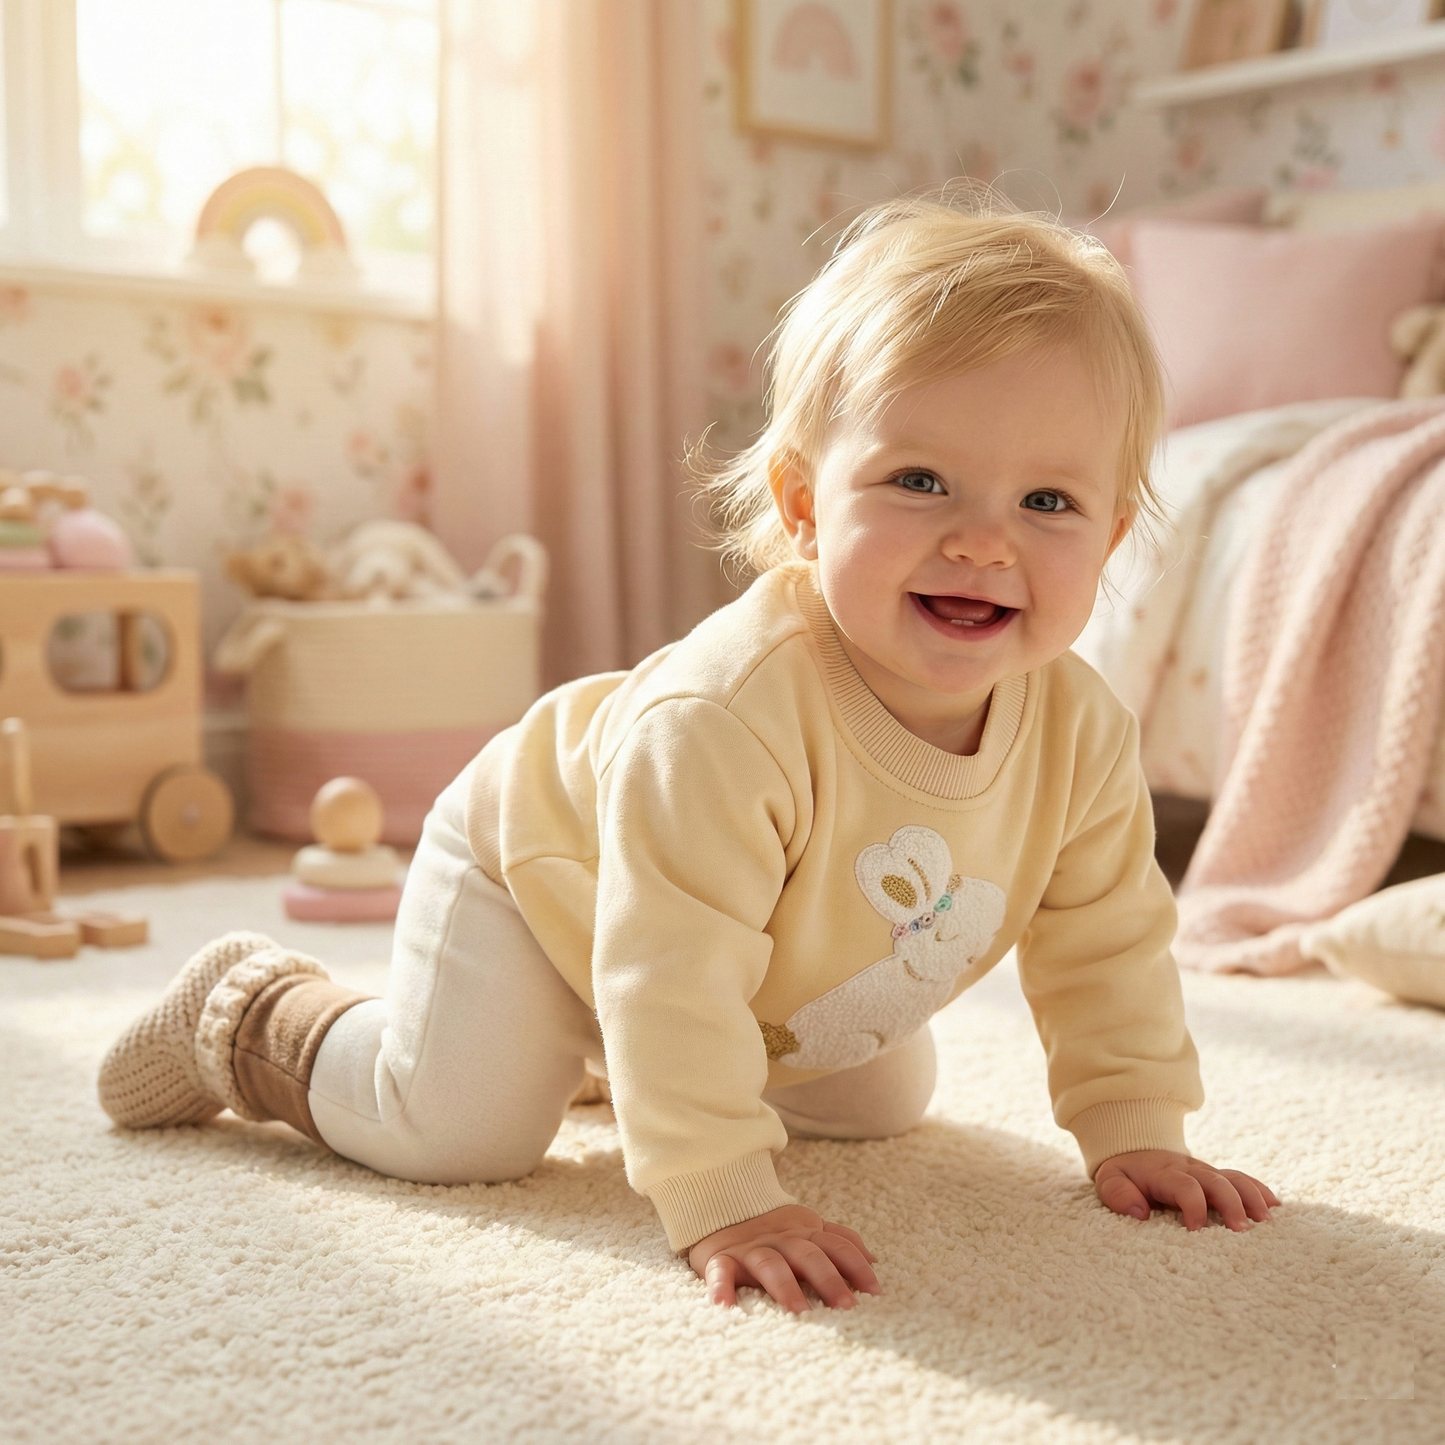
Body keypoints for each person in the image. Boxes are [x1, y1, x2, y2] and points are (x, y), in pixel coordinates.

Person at [99, 193, 1278, 1315]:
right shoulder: (729, 716)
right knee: (459, 1129)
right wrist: (721, 1191)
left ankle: (612, 1055)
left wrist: (1134, 1121)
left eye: (1047, 503)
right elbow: (671, 958)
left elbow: (1105, 936)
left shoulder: (1079, 728)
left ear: (1113, 532)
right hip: (541, 873)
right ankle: (258, 1015)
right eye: (918, 481)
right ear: (805, 502)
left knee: (877, 1097)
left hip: (737, 952)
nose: (981, 540)